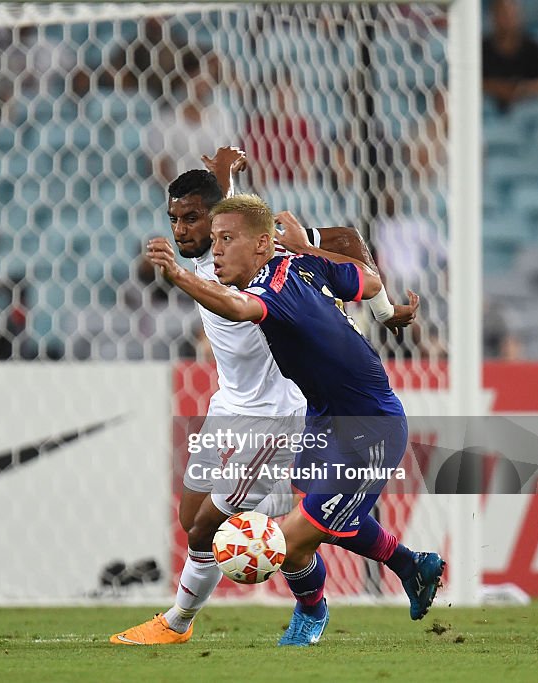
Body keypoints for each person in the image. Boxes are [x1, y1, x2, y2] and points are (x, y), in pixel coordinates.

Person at [110, 148, 421, 646]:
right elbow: (222, 208)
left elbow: (338, 245)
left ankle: (180, 622)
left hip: (272, 416)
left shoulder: (250, 259)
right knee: (201, 520)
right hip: (229, 403)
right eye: (175, 220)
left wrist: (375, 305)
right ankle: (399, 565)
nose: (184, 231)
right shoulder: (225, 234)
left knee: (219, 531)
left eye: (195, 220)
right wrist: (222, 175)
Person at [482, 0, 538, 112]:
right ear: (493, 16)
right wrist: (499, 88)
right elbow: (473, 82)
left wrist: (522, 89)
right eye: (502, 13)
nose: (507, 18)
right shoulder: (481, 49)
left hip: (529, 110)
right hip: (490, 111)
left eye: (511, 13)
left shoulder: (533, 48)